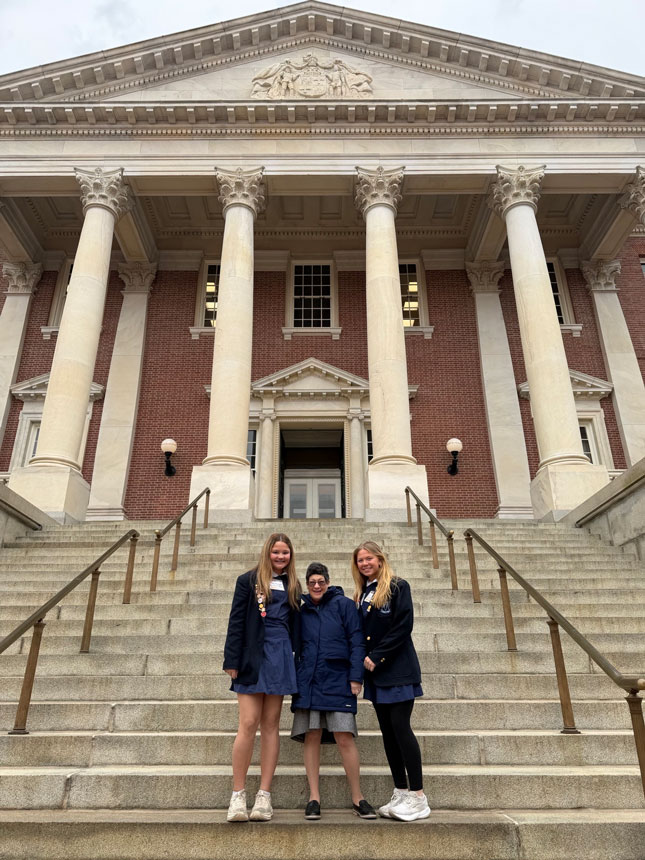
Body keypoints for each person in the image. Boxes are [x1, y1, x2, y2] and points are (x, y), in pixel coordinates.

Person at [223, 532, 302, 822]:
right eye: (276, 552)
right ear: (267, 553)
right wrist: (231, 660)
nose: (281, 557)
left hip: (280, 655)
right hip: (252, 656)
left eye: (285, 553)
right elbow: (236, 621)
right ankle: (238, 795)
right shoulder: (248, 580)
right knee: (247, 723)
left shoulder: (293, 584)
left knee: (271, 724)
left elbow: (297, 624)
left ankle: (264, 796)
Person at [352, 540, 430, 822]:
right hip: (376, 674)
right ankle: (400, 791)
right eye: (360, 560)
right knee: (387, 732)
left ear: (380, 560)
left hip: (397, 669)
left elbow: (403, 626)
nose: (365, 564)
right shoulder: (361, 593)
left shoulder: (397, 586)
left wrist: (379, 656)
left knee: (401, 728)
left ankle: (419, 796)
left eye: (369, 559)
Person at [291, 562, 376, 821]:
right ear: (307, 584)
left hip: (339, 680)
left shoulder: (344, 606)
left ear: (328, 582)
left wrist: (355, 677)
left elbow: (357, 641)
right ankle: (314, 798)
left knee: (344, 736)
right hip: (309, 681)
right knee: (312, 736)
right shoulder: (301, 611)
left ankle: (357, 797)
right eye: (312, 582)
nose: (317, 586)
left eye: (321, 581)